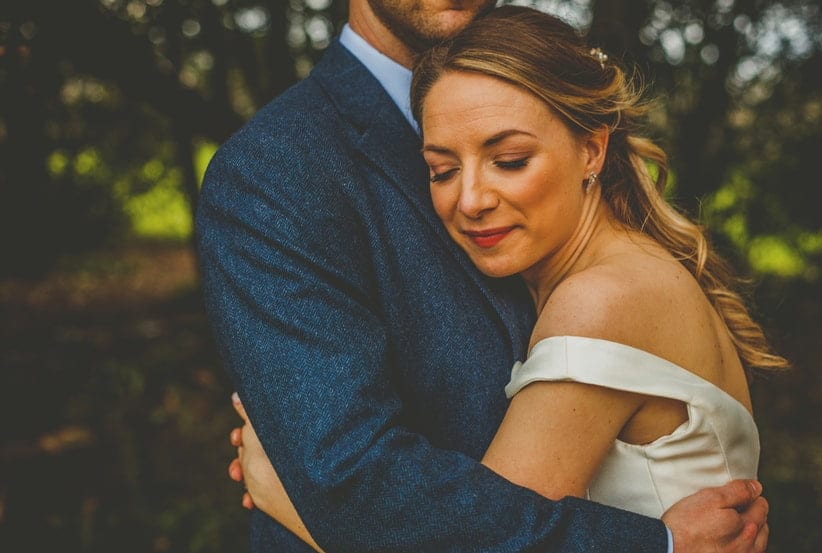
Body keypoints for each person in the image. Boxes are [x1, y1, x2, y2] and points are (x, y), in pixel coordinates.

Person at [201, 0, 771, 551]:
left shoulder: (602, 298)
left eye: (511, 160)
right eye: (441, 170)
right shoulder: (274, 170)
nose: (472, 199)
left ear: (592, 151)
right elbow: (349, 468)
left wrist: (287, 498)